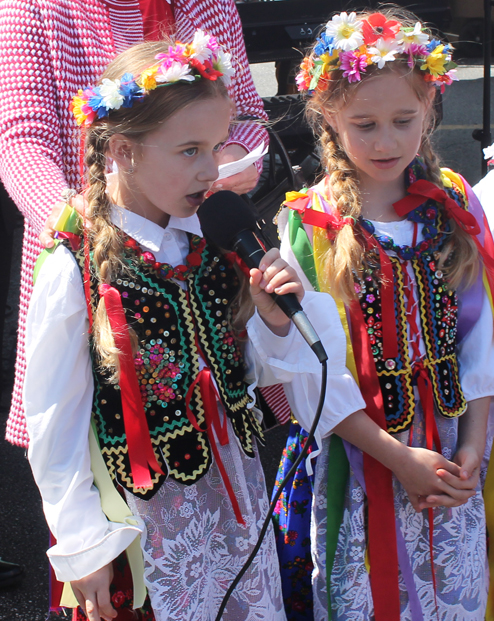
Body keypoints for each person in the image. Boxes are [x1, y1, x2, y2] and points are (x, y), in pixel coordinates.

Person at [22, 33, 364, 621]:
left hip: (237, 505)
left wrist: (277, 321)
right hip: (145, 522)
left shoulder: (221, 245)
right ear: (124, 150)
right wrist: (85, 546)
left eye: (217, 146)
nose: (212, 170)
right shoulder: (75, 266)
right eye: (189, 151)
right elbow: (55, 421)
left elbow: (268, 377)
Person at [272, 8, 494, 620]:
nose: (385, 142)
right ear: (327, 118)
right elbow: (308, 372)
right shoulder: (312, 222)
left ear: (431, 106)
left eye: (403, 120)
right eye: (364, 124)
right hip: (360, 457)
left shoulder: (454, 201)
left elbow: (481, 338)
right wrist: (399, 460)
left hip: (452, 455)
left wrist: (473, 449)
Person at [0, 0, 268, 448]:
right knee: (91, 428)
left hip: (197, 248)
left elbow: (245, 115)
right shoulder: (33, 7)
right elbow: (23, 137)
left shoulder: (211, 3)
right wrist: (68, 213)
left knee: (218, 411)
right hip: (96, 255)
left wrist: (234, 152)